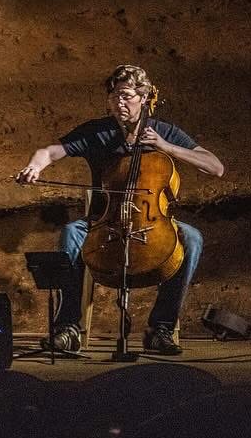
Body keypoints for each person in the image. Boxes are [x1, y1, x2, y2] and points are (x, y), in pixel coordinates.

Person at [16, 65, 224, 355]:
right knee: (71, 233)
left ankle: (161, 328)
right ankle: (68, 327)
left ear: (143, 97)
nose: (119, 102)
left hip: (153, 223)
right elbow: (50, 151)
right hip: (104, 221)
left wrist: (167, 147)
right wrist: (34, 167)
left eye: (126, 95)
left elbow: (215, 167)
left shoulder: (164, 132)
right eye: (114, 96)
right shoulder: (97, 132)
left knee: (191, 238)